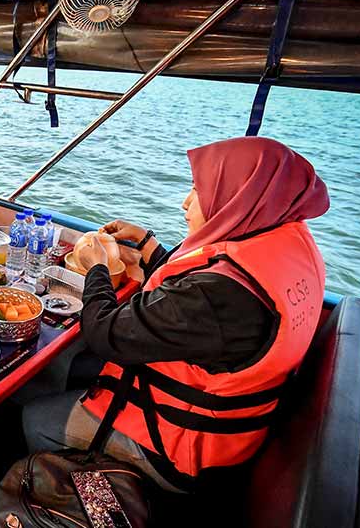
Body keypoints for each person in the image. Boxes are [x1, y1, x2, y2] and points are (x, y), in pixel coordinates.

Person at [22, 137, 330, 492]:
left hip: (183, 447)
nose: (185, 201)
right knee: (75, 366)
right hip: (234, 423)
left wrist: (98, 269)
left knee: (35, 416)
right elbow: (207, 291)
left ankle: (65, 493)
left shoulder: (217, 299)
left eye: (198, 189)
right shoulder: (286, 247)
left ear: (238, 197)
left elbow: (104, 333)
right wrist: (150, 248)